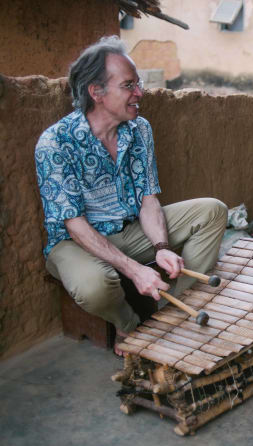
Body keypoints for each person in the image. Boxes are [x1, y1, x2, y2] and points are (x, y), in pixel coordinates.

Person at [35, 36, 228, 354]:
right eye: (129, 85)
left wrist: (161, 247)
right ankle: (129, 328)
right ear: (96, 92)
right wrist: (135, 269)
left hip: (129, 230)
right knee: (95, 287)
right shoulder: (55, 143)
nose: (140, 93)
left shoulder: (139, 129)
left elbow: (148, 199)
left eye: (138, 83)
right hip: (75, 243)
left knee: (213, 210)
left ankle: (172, 318)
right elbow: (75, 225)